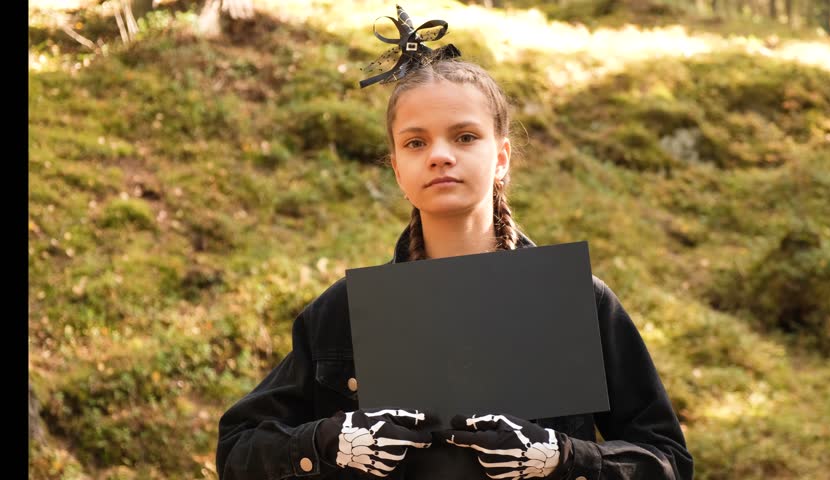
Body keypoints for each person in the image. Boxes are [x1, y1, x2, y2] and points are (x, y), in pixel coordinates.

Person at [216, 6, 692, 480]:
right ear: (397, 167)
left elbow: (667, 461)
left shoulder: (575, 301)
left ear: (501, 157)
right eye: (416, 142)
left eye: (464, 137)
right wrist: (326, 442)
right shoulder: (346, 314)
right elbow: (238, 449)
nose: (440, 155)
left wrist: (564, 457)